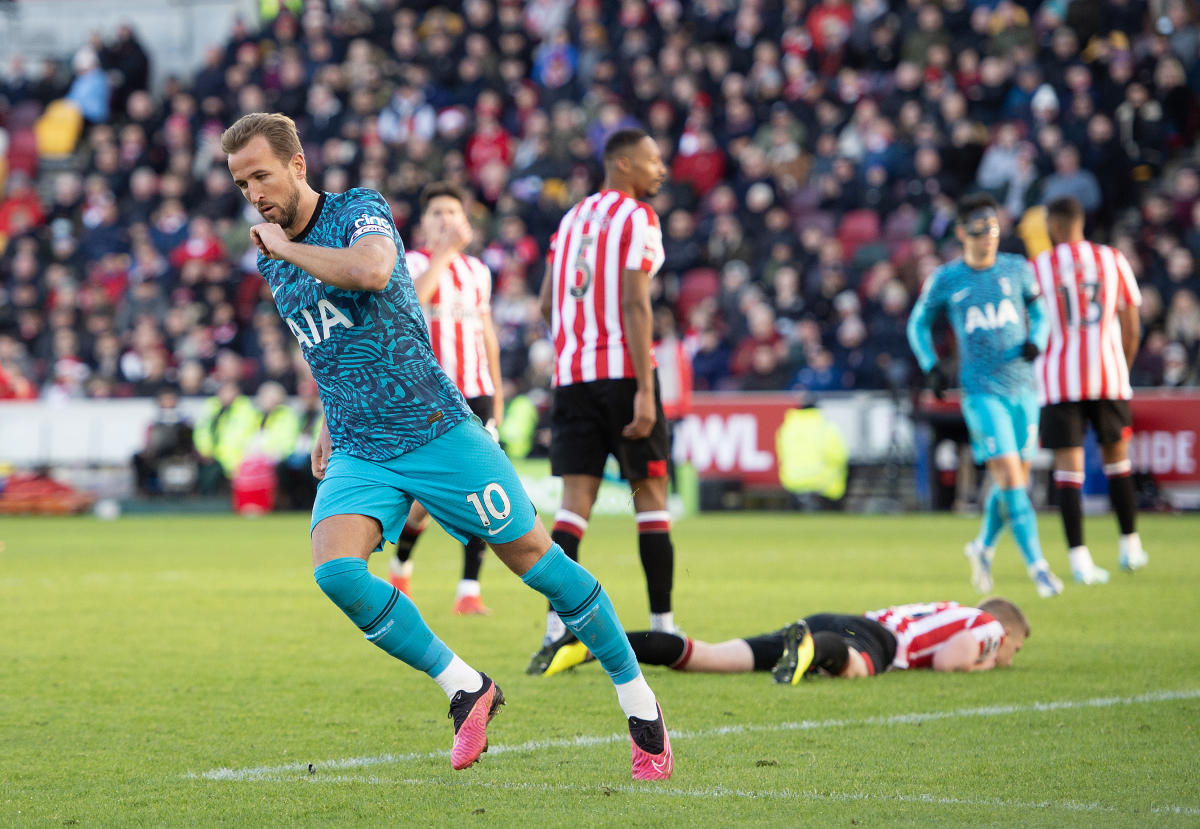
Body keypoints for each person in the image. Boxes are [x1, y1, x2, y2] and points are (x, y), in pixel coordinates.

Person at [221, 112, 672, 779]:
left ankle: (640, 703)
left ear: (297, 165)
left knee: (537, 563)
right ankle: (467, 686)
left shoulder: (359, 212)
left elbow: (374, 274)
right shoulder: (277, 260)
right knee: (336, 570)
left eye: (260, 174)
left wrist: (282, 248)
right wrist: (327, 413)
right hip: (360, 446)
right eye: (240, 183)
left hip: (435, 429)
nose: (253, 193)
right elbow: (331, 341)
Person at [531, 127, 680, 673]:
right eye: (652, 160)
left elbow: (548, 301)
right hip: (623, 379)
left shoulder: (569, 220)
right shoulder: (638, 217)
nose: (660, 170)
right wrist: (644, 389)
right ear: (623, 164)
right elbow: (637, 304)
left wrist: (574, 346)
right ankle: (663, 626)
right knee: (649, 497)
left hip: (572, 380)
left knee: (573, 508)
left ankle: (553, 630)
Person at [907, 193, 1061, 597]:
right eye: (979, 229)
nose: (988, 236)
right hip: (980, 393)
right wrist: (930, 364)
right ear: (961, 233)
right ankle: (1039, 568)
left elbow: (1042, 311)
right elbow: (917, 324)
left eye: (993, 227)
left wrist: (1037, 339)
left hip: (1024, 388)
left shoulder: (1017, 269)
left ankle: (982, 547)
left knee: (1014, 480)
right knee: (1012, 478)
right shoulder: (947, 278)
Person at [386, 182, 505, 616]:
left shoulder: (479, 271)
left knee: (482, 487)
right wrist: (443, 255)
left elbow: (487, 335)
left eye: (453, 212)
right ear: (423, 224)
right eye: (436, 212)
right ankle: (401, 567)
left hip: (476, 393)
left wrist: (498, 392)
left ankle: (468, 591)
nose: (445, 219)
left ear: (466, 221)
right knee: (423, 502)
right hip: (429, 393)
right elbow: (412, 305)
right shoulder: (412, 263)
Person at [1032, 196, 1148, 580]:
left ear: (1054, 225)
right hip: (1109, 376)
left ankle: (1079, 560)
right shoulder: (1113, 259)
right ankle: (1130, 546)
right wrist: (1121, 367)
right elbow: (1132, 324)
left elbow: (1031, 325)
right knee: (1118, 461)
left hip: (1059, 380)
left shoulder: (1040, 268)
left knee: (1069, 472)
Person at [537, 597, 1029, 681]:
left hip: (839, 616)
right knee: (855, 668)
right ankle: (814, 651)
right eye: (1015, 649)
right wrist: (987, 663)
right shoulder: (987, 626)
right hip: (875, 638)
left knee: (706, 655)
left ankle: (593, 642)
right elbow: (950, 662)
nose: (1009, 656)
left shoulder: (948, 608)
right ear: (1006, 630)